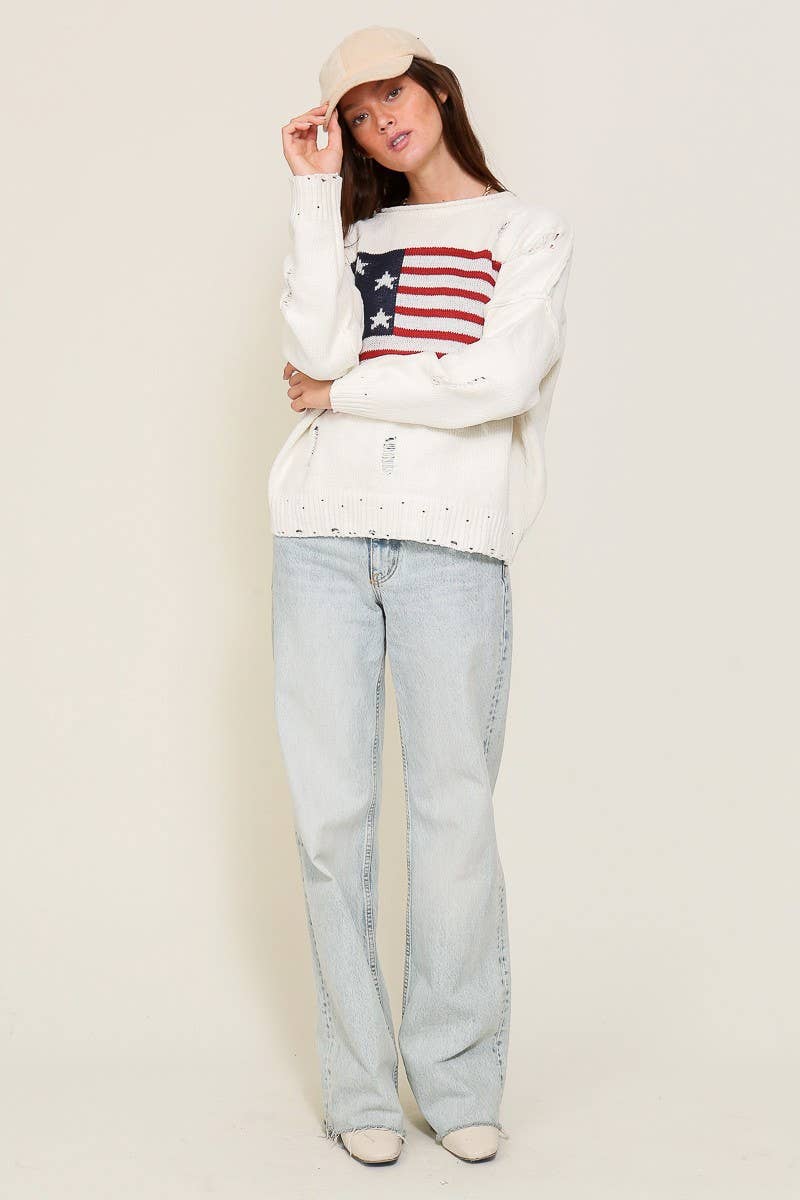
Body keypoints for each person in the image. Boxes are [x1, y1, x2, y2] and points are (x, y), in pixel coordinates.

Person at [269, 25, 574, 1167]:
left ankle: (453, 1078)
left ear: (435, 90)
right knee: (330, 819)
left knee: (452, 815)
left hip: (450, 539)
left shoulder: (525, 232)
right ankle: (358, 1085)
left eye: (391, 94)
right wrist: (313, 196)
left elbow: (500, 379)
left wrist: (348, 393)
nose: (378, 122)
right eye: (355, 114)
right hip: (320, 534)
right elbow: (312, 343)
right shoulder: (354, 235)